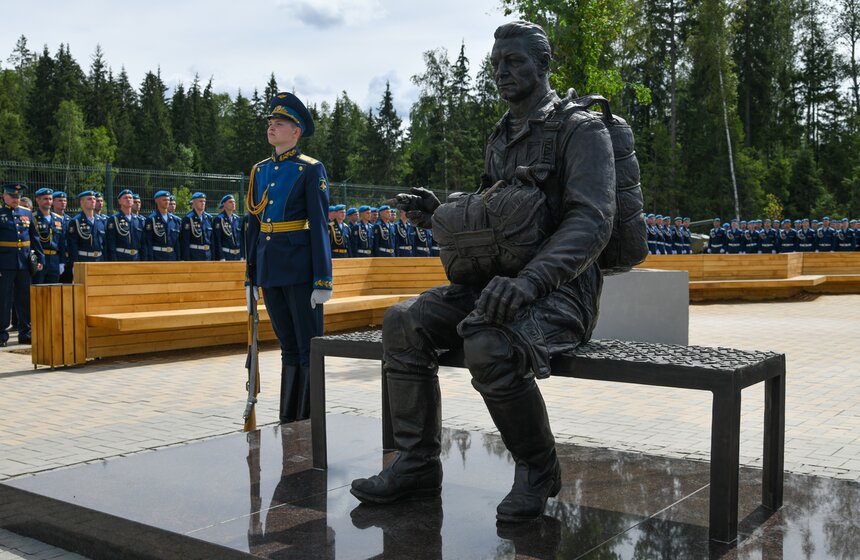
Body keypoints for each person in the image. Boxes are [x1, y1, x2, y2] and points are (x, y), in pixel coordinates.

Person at [350, 21, 617, 523]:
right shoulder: (501, 136)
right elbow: (495, 211)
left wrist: (529, 283)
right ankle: (417, 464)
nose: (501, 72)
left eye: (513, 61)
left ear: (543, 65)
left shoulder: (582, 130)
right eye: (496, 64)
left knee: (488, 341)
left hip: (562, 293)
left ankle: (538, 469)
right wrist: (440, 214)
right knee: (402, 322)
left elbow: (592, 222)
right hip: (497, 283)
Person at [245, 91, 332, 424]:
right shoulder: (260, 170)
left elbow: (319, 225)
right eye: (270, 122)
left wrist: (322, 280)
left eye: (279, 123)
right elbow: (253, 226)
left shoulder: (309, 169)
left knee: (308, 345)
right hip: (269, 268)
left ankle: (308, 419)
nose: (272, 127)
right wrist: (250, 276)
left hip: (299, 268)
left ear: (296, 132)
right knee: (287, 345)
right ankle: (288, 417)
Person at [0, 183, 44, 346]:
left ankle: (25, 333)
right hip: (4, 263)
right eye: (12, 196)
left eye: (18, 197)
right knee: (4, 299)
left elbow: (35, 237)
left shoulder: (26, 213)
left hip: (24, 263)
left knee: (24, 298)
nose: (15, 199)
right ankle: (2, 334)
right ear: (4, 196)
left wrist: (40, 258)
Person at [32, 188, 64, 283]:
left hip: (54, 259)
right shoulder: (33, 218)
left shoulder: (58, 219)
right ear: (38, 200)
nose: (48, 201)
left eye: (50, 199)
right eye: (45, 199)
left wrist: (62, 261)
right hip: (39, 258)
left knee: (53, 289)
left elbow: (61, 242)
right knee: (38, 288)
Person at [66, 190, 107, 264]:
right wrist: (75, 264)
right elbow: (72, 246)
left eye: (94, 199)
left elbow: (105, 244)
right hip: (83, 259)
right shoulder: (76, 221)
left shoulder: (101, 221)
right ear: (82, 202)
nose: (93, 201)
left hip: (100, 259)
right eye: (89, 199)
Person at [106, 189, 145, 261]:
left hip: (136, 257)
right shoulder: (114, 219)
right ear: (119, 201)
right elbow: (111, 242)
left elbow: (143, 243)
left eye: (130, 198)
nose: (128, 199)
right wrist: (114, 260)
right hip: (121, 257)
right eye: (125, 198)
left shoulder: (139, 220)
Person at [142, 191, 181, 261]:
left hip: (172, 256)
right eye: (164, 200)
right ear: (157, 201)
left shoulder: (175, 220)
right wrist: (150, 259)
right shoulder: (151, 219)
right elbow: (148, 241)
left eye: (168, 200)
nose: (167, 202)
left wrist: (178, 258)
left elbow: (177, 242)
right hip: (157, 256)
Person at [180, 192, 214, 261]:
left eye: (204, 201)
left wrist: (213, 257)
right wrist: (186, 258)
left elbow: (212, 240)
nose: (203, 203)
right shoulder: (188, 218)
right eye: (200, 201)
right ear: (194, 203)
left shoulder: (209, 218)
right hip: (194, 254)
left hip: (208, 254)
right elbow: (185, 241)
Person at [212, 194, 244, 261]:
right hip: (226, 254)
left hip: (237, 255)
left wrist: (242, 256)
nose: (233, 203)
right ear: (224, 204)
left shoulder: (237, 219)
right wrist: (221, 257)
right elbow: (217, 240)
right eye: (230, 202)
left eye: (234, 202)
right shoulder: (219, 219)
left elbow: (241, 239)